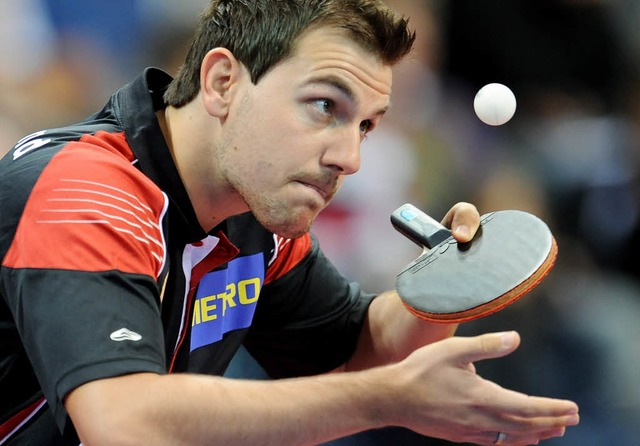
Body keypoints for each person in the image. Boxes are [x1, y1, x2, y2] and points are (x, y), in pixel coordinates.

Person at [0, 1, 579, 445]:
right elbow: (122, 422)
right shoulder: (85, 191)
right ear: (222, 82)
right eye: (326, 106)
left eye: (367, 126)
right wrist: (384, 400)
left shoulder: (253, 212)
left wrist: (442, 289)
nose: (349, 158)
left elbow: (350, 351)